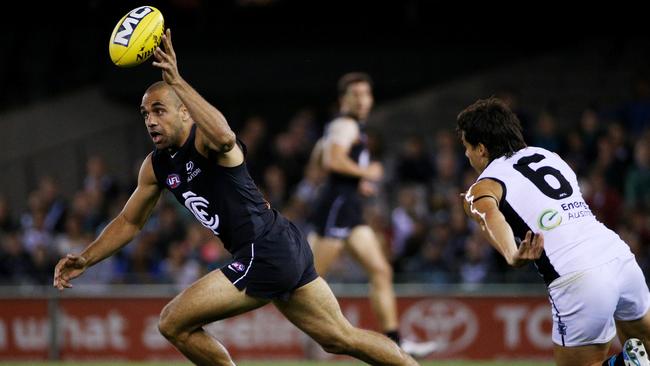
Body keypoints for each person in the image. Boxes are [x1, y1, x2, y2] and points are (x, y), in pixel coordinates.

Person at [53, 29, 417, 366]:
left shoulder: (207, 140)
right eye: (145, 113)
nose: (150, 120)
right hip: (279, 244)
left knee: (172, 323)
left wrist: (177, 81)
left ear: (185, 111)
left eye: (159, 110)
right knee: (340, 339)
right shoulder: (156, 166)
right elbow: (129, 221)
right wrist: (86, 258)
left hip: (266, 249)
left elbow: (226, 137)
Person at [457, 97, 650, 366]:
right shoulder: (549, 157)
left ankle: (623, 364)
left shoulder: (484, 185)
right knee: (646, 348)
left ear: (481, 149)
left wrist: (511, 253)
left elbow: (488, 216)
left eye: (466, 147)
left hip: (577, 277)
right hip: (619, 257)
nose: (466, 155)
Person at [306, 72, 438, 357]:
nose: (363, 100)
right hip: (336, 208)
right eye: (356, 95)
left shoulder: (344, 126)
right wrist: (366, 172)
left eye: (366, 94)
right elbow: (331, 159)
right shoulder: (345, 124)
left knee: (380, 270)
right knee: (308, 279)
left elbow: (320, 156)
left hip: (349, 208)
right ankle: (316, 338)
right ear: (344, 99)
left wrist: (356, 182)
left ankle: (395, 342)